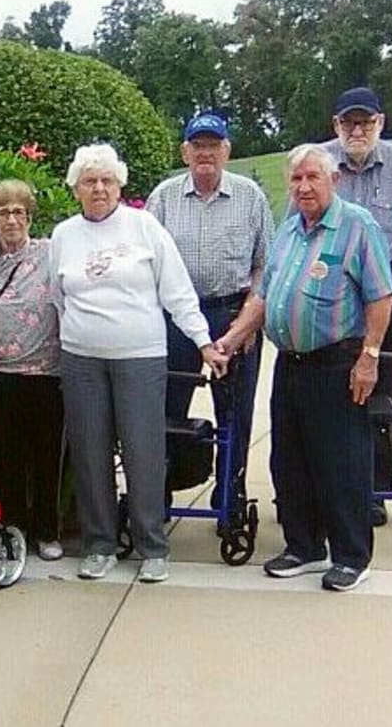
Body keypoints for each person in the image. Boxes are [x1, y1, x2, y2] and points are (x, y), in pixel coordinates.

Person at [217, 144, 392, 592]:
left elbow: (380, 297)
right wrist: (233, 338)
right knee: (290, 461)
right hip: (290, 365)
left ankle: (352, 556)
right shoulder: (289, 229)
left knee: (342, 464)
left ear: (333, 180)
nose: (303, 186)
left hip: (337, 364)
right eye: (296, 179)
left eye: (313, 177)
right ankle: (305, 547)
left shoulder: (357, 226)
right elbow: (265, 295)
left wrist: (369, 358)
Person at [50, 143, 227, 584]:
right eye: (90, 181)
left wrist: (203, 341)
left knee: (143, 450)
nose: (99, 188)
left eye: (107, 180)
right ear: (76, 189)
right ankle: (99, 544)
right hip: (81, 358)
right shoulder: (64, 235)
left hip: (140, 356)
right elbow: (58, 297)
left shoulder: (144, 227)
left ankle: (152, 546)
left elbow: (177, 292)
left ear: (120, 185)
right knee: (90, 453)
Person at [146, 112, 272, 510]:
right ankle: (161, 487)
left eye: (213, 145)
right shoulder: (163, 197)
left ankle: (229, 490)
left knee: (235, 409)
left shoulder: (249, 195)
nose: (205, 153)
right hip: (177, 319)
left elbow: (265, 266)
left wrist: (248, 320)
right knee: (167, 407)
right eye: (197, 145)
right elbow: (144, 263)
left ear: (226, 151)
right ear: (185, 152)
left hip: (232, 312)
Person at [322, 87, 392, 527]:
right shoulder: (318, 164)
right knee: (331, 395)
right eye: (348, 123)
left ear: (381, 122)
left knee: (381, 396)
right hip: (331, 301)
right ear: (336, 126)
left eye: (365, 122)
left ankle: (374, 490)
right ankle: (331, 484)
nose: (357, 130)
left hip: (386, 297)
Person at [0, 180, 63, 561]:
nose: (11, 220)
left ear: (29, 217)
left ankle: (47, 531)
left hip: (46, 371)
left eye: (19, 212)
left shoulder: (50, 253)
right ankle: (12, 527)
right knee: (5, 457)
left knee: (47, 457)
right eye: (3, 212)